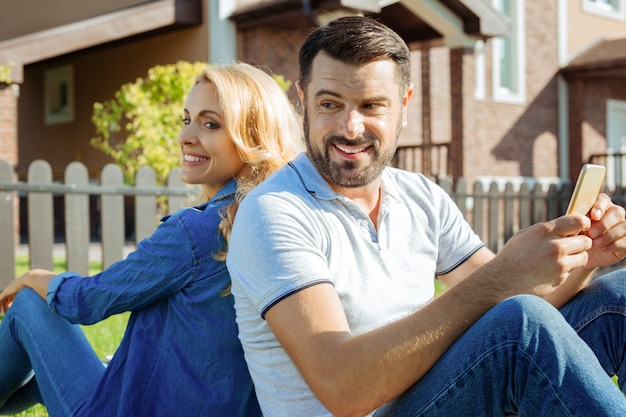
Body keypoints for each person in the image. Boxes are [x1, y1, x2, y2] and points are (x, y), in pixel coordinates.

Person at [226, 16, 626, 417]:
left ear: (403, 106)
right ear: (302, 100)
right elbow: (343, 387)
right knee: (518, 326)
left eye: (371, 106)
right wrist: (504, 276)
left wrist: (585, 258)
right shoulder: (274, 211)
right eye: (330, 104)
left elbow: (516, 299)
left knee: (619, 296)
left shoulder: (419, 195)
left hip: (433, 397)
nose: (350, 128)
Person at [0, 62, 302, 417]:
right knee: (74, 366)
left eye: (210, 124)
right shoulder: (280, 223)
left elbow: (91, 299)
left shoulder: (197, 232)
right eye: (186, 119)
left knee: (28, 307)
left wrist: (37, 278)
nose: (186, 135)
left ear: (253, 137)